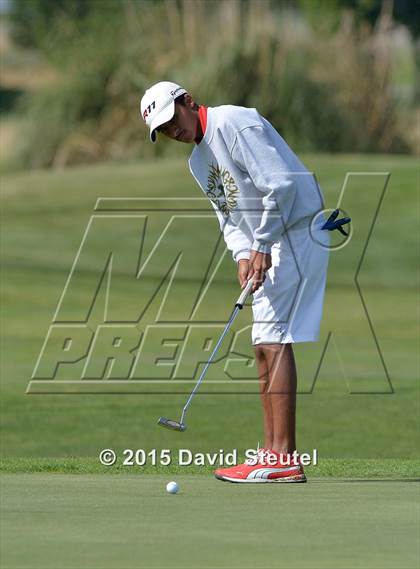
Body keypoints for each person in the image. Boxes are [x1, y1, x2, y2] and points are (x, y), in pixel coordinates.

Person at [140, 81, 330, 483]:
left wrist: (260, 246)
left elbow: (282, 185)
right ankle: (273, 452)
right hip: (271, 242)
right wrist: (244, 255)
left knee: (273, 339)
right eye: (166, 131)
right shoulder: (197, 161)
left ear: (187, 101)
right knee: (263, 342)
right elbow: (228, 215)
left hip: (296, 232)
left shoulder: (234, 122)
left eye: (173, 120)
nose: (174, 132)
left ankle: (283, 458)